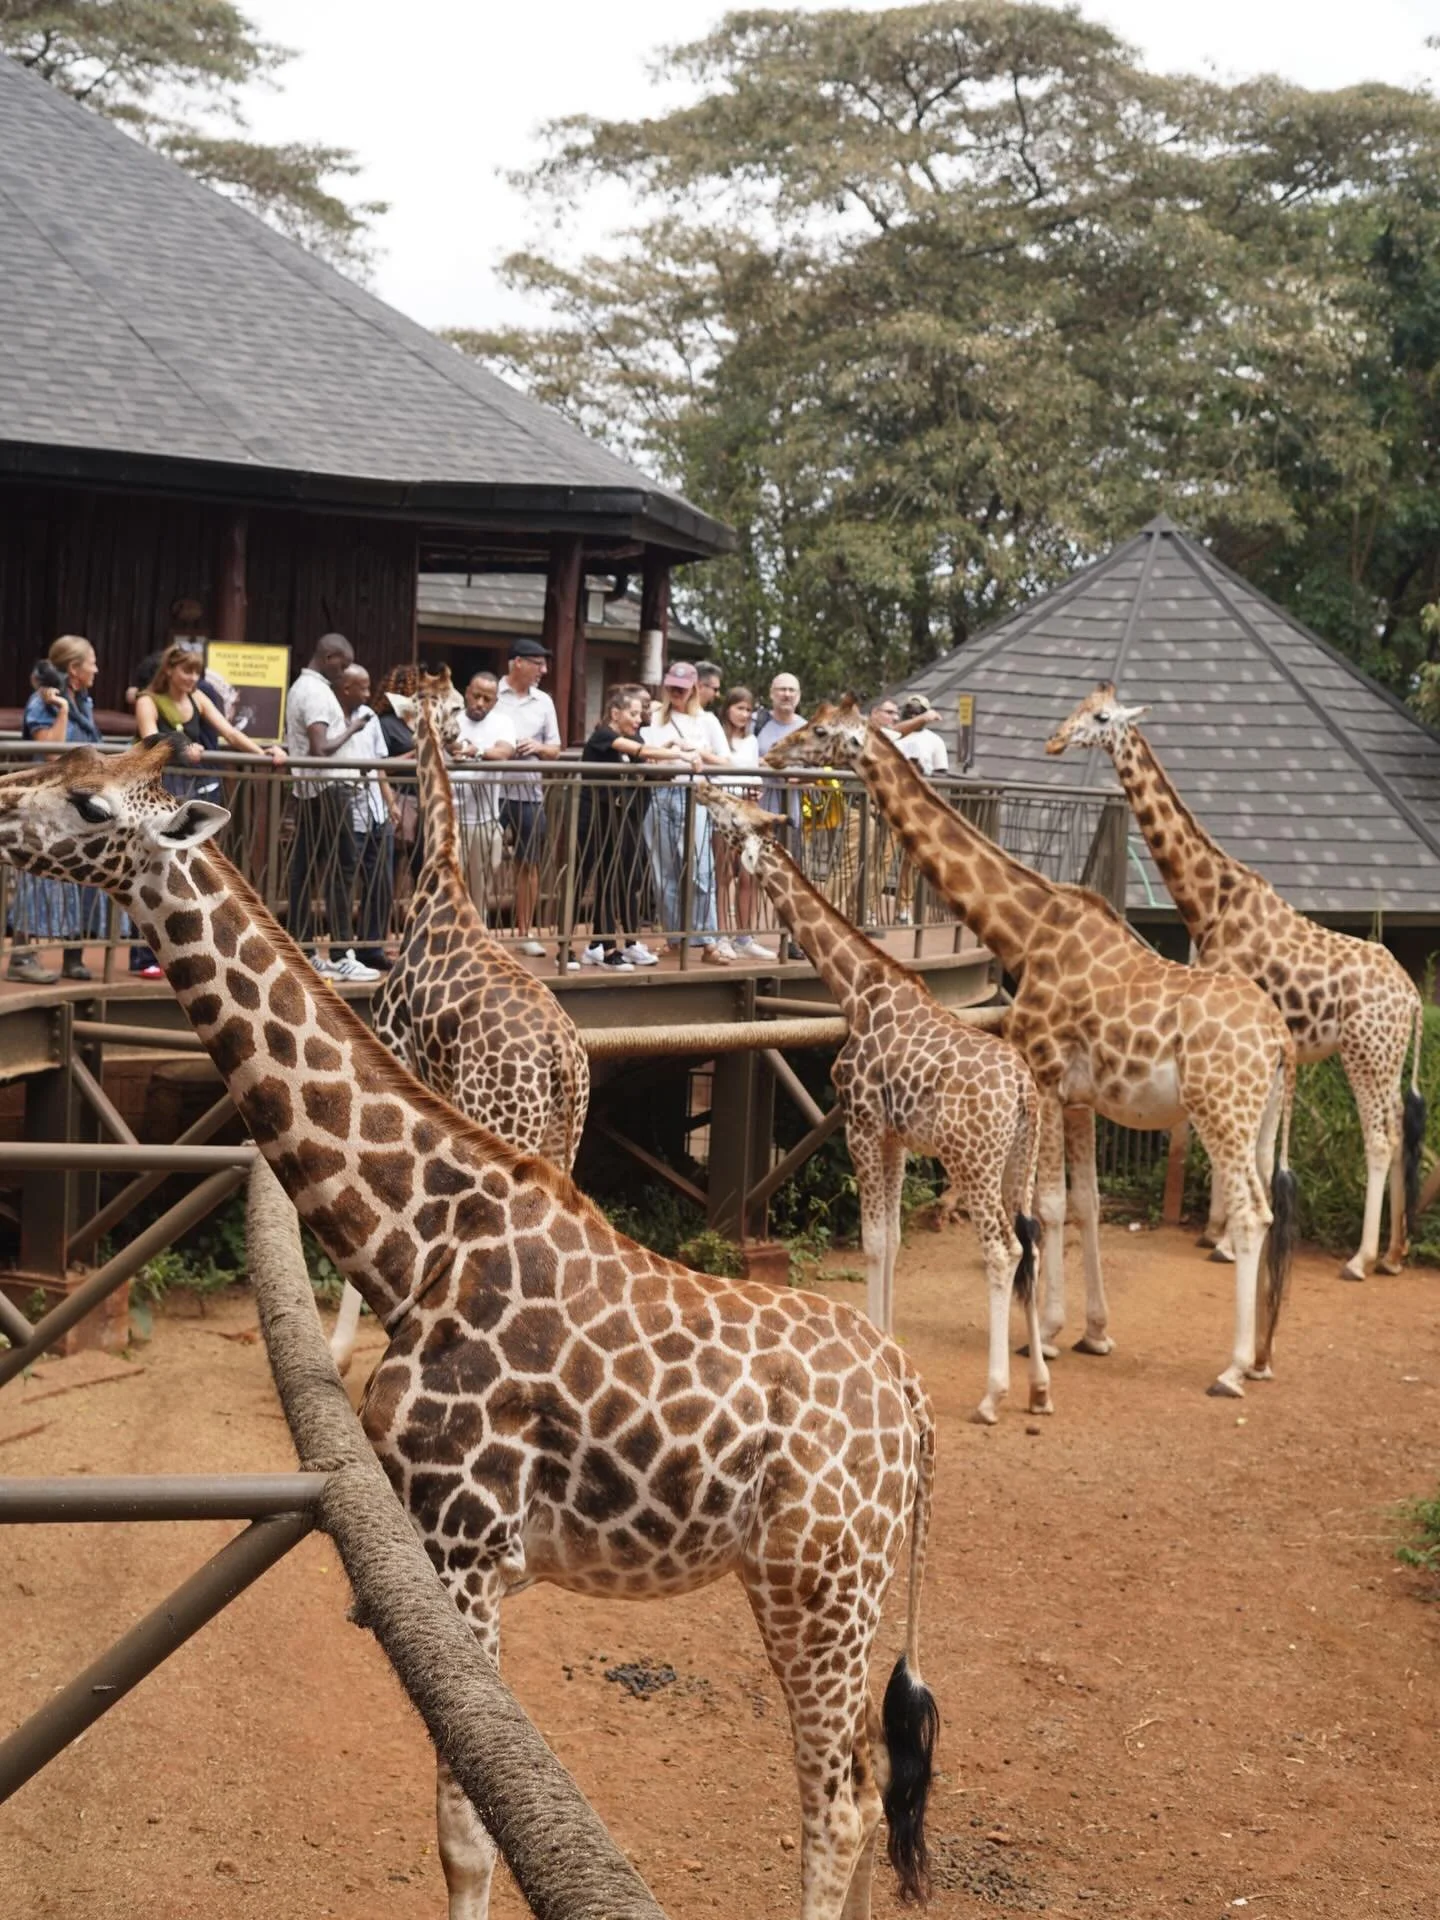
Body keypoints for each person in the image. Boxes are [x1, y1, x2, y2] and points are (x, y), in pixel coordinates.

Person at [129, 644, 288, 978]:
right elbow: (150, 741)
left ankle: (184, 950)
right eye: (186, 671)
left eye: (196, 672)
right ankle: (143, 955)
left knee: (195, 873)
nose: (192, 678)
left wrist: (264, 754)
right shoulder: (148, 700)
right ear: (169, 670)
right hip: (162, 796)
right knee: (157, 870)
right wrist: (181, 747)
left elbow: (229, 732)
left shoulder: (199, 698)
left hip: (198, 793)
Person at [284, 633, 380, 983]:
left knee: (306, 870)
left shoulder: (301, 687)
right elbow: (320, 748)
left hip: (311, 789)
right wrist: (353, 728)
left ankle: (305, 948)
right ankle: (341, 953)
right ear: (329, 657)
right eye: (341, 664)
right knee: (343, 868)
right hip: (328, 789)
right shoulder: (316, 692)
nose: (343, 672)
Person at [10, 637, 106, 983]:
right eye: (91, 661)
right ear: (74, 669)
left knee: (81, 874)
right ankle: (21, 958)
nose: (96, 668)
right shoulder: (43, 702)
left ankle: (73, 956)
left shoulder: (87, 701)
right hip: (48, 805)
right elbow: (52, 753)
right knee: (38, 878)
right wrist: (63, 710)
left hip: (79, 805)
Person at [640, 659, 733, 963]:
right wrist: (668, 751)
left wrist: (695, 752)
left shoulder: (706, 721)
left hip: (692, 794)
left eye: (682, 688)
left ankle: (707, 941)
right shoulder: (655, 718)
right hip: (660, 792)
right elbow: (646, 756)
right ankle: (673, 937)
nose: (676, 692)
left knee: (700, 870)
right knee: (663, 871)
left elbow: (726, 761)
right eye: (672, 687)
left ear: (693, 688)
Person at [577, 686, 670, 969]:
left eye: (640, 713)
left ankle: (622, 943)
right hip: (596, 818)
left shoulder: (634, 736)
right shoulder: (604, 734)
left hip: (623, 820)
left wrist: (674, 754)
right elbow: (639, 751)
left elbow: (646, 761)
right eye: (633, 713)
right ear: (615, 713)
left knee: (628, 879)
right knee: (593, 879)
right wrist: (681, 756)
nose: (639, 718)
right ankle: (597, 948)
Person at [495, 639, 562, 956]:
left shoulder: (544, 701)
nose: (544, 670)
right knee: (482, 861)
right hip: (489, 792)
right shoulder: (490, 693)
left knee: (529, 863)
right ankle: (480, 932)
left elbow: (556, 749)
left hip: (530, 794)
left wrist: (537, 748)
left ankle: (525, 932)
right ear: (517, 662)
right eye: (538, 663)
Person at [333, 664, 401, 973]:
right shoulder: (333, 717)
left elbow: (378, 764)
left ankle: (371, 946)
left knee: (381, 881)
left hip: (375, 807)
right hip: (348, 808)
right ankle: (343, 946)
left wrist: (390, 803)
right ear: (346, 688)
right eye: (362, 688)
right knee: (345, 880)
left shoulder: (371, 718)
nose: (368, 693)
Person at [712, 686, 777, 962]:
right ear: (728, 708)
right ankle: (721, 935)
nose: (744, 714)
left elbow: (752, 773)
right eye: (739, 707)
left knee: (749, 874)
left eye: (748, 709)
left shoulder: (751, 741)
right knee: (724, 874)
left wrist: (755, 789)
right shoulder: (717, 737)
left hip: (748, 809)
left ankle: (744, 936)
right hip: (724, 809)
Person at [452, 671, 516, 918]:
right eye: (476, 696)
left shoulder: (503, 723)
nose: (480, 703)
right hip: (451, 820)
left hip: (484, 820)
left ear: (495, 701)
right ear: (467, 693)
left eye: (487, 699)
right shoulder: (453, 719)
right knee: (448, 888)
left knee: (480, 889)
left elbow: (504, 752)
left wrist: (473, 751)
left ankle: (476, 940)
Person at [756, 671, 805, 828]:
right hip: (756, 812)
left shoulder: (806, 728)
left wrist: (773, 768)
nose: (787, 694)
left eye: (792, 690)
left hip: (792, 814)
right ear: (771, 693)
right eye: (782, 689)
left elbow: (816, 769)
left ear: (799, 695)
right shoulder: (755, 723)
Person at [895, 693, 950, 776]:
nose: (913, 717)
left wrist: (923, 770)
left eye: (917, 714)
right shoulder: (892, 735)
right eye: (909, 713)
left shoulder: (935, 740)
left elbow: (942, 773)